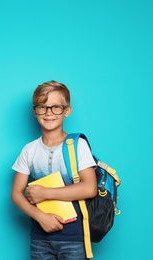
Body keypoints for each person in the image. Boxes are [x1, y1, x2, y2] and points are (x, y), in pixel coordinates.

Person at [11, 80, 98, 260]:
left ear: (67, 110)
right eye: (43, 107)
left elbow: (89, 188)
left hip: (74, 238)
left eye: (56, 107)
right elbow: (16, 194)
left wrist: (46, 193)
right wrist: (40, 216)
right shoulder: (29, 150)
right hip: (39, 239)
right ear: (35, 111)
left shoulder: (77, 145)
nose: (49, 113)